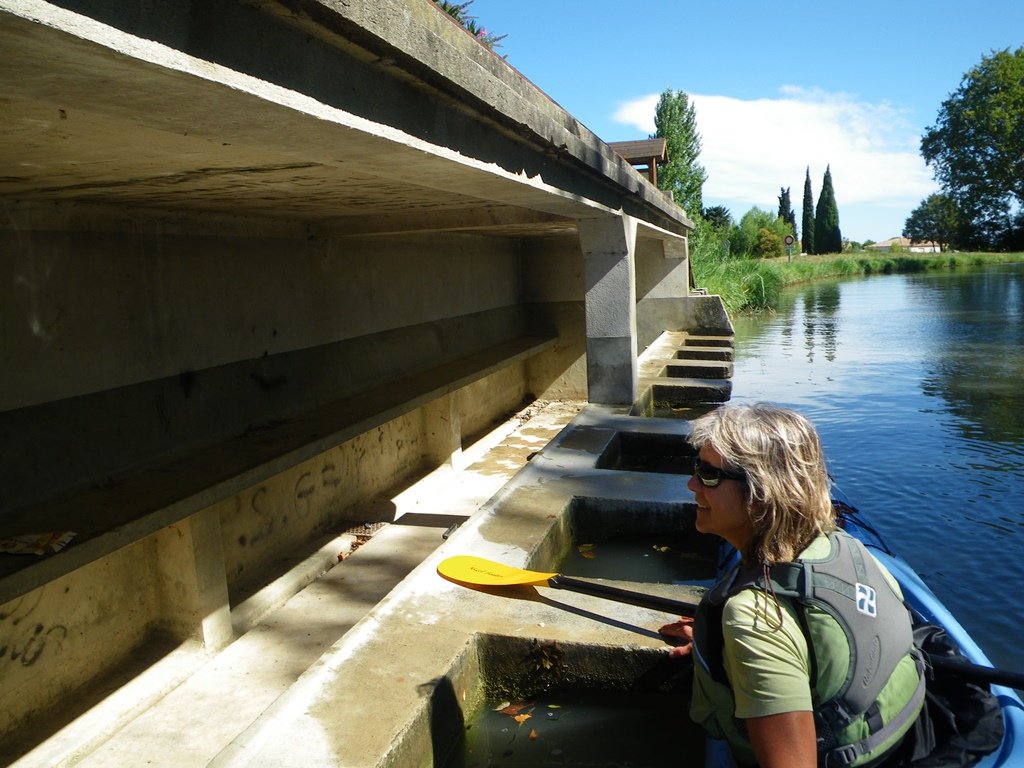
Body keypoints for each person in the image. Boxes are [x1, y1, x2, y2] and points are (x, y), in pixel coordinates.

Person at [660, 404, 927, 768]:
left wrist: (751, 645)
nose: (691, 484)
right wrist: (718, 648)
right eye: (696, 469)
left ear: (762, 491)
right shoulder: (846, 548)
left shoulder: (756, 622)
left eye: (708, 475)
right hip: (906, 740)